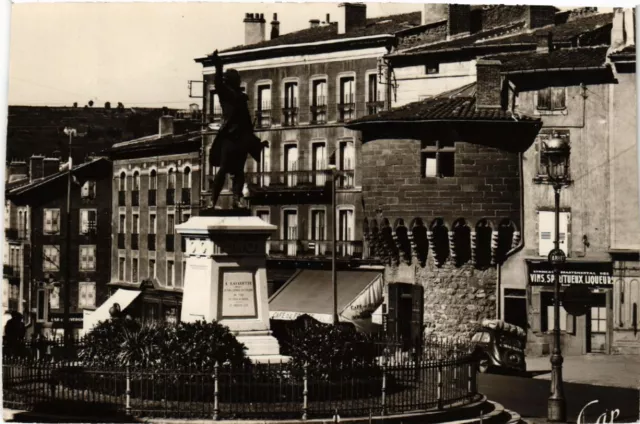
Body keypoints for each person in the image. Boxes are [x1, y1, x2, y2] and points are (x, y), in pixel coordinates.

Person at [208, 49, 264, 209]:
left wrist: (256, 142)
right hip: (229, 136)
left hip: (241, 137)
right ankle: (213, 201)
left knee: (239, 171)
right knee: (224, 168)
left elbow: (246, 121)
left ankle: (236, 200)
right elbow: (218, 83)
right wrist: (218, 66)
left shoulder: (241, 98)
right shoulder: (225, 93)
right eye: (236, 79)